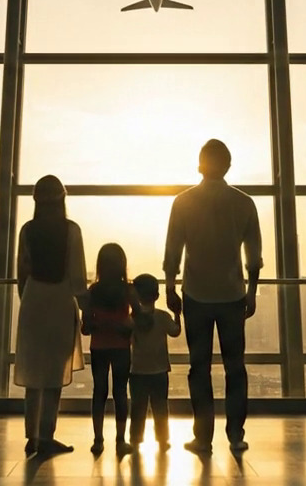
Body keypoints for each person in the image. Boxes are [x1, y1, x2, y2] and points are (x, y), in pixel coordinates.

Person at [163, 139, 261, 455]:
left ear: (200, 165)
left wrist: (170, 286)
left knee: (199, 368)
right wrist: (251, 292)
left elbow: (173, 250)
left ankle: (203, 438)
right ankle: (236, 435)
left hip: (196, 294)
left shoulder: (183, 202)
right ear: (229, 166)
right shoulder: (244, 203)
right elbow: (254, 256)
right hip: (232, 294)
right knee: (235, 368)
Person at [15, 175, 89, 457]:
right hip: (59, 302)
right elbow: (78, 277)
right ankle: (47, 436)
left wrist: (28, 299)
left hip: (33, 301)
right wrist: (86, 307)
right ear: (62, 199)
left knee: (34, 374)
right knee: (54, 373)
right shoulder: (71, 231)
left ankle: (31, 436)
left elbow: (21, 273)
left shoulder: (27, 230)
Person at [83, 242, 136, 457]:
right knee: (121, 392)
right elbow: (139, 316)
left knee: (99, 392)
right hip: (122, 346)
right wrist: (123, 326)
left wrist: (99, 325)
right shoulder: (128, 290)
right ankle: (121, 440)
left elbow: (86, 326)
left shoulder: (93, 291)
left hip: (99, 346)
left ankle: (98, 439)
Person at [128, 273, 181, 452]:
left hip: (137, 370)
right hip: (160, 370)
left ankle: (135, 439)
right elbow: (175, 331)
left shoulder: (132, 319)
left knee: (137, 408)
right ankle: (162, 439)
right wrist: (177, 314)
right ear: (156, 296)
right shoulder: (163, 317)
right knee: (160, 407)